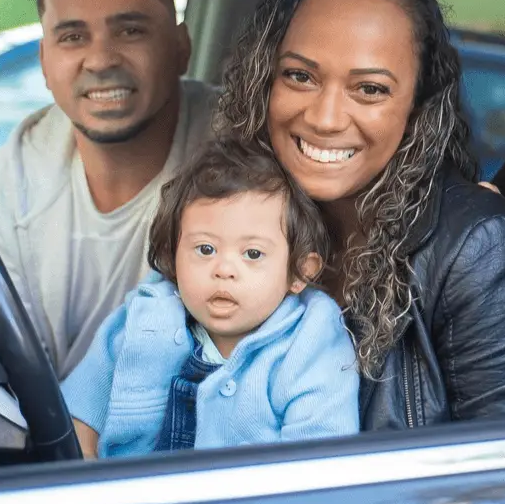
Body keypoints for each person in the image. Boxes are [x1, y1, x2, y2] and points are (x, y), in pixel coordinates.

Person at [214, 0, 505, 429]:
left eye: (370, 89)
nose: (324, 118)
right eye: (300, 76)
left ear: (418, 108)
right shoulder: (235, 218)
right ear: (265, 83)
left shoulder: (484, 251)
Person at [0, 0, 217, 378]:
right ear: (45, 62)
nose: (100, 59)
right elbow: (2, 371)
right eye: (72, 37)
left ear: (181, 47)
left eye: (130, 30)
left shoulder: (244, 149)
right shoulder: (8, 181)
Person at [62, 138, 360, 458]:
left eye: (253, 253)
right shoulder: (144, 316)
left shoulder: (312, 343)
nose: (224, 269)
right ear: (172, 255)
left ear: (299, 272)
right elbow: (79, 418)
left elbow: (318, 466)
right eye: (205, 249)